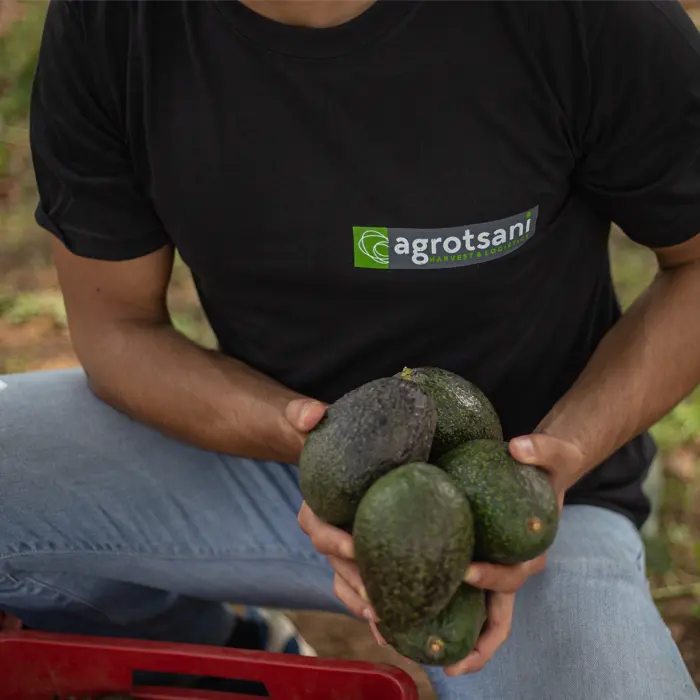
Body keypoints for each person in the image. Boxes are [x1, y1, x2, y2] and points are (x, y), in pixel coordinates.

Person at [1, 0, 700, 697]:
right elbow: (118, 329)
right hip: (270, 453)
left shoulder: (586, 17)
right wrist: (302, 436)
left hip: (524, 496)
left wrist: (568, 448)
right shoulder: (112, 20)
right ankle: (209, 651)